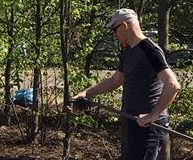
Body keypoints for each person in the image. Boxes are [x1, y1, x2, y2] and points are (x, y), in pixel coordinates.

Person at [71, 9, 181, 160]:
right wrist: (86, 93)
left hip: (150, 127)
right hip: (134, 122)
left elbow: (173, 85)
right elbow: (114, 81)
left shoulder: (150, 50)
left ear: (124, 25)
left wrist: (152, 115)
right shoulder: (128, 52)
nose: (114, 35)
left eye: (114, 30)